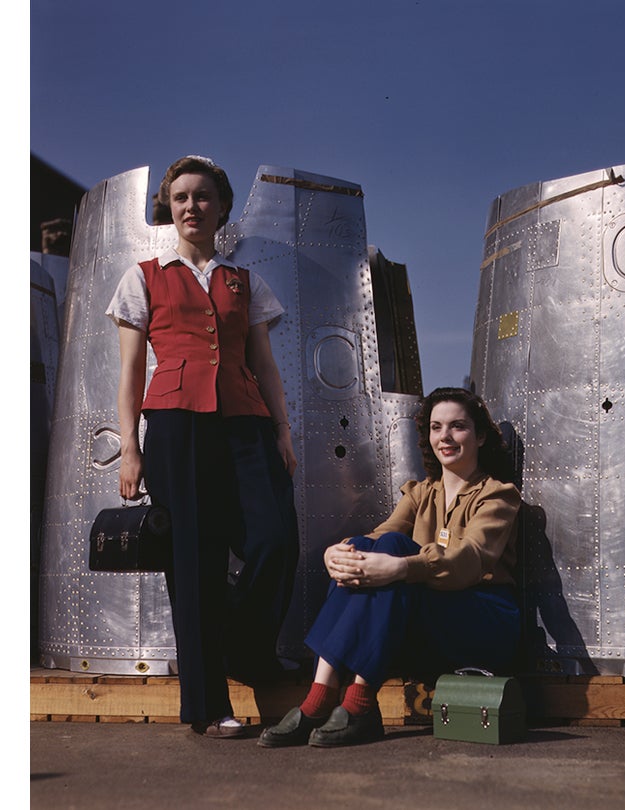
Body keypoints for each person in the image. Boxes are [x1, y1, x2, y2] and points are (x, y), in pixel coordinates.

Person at [105, 155, 299, 739]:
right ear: (169, 206)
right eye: (182, 197)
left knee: (275, 539)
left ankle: (242, 649)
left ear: (221, 207)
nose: (192, 207)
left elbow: (264, 364)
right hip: (175, 425)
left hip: (245, 422)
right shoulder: (142, 276)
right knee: (194, 562)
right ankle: (208, 705)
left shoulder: (246, 281)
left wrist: (283, 432)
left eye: (204, 197)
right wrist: (131, 448)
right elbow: (131, 371)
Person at [258, 387, 521, 748]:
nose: (444, 436)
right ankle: (323, 695)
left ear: (479, 436)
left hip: (483, 620)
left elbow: (469, 559)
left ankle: (355, 703)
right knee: (367, 547)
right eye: (436, 427)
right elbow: (378, 537)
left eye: (457, 427)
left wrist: (399, 569)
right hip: (432, 617)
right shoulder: (420, 493)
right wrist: (338, 554)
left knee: (396, 552)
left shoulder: (498, 495)